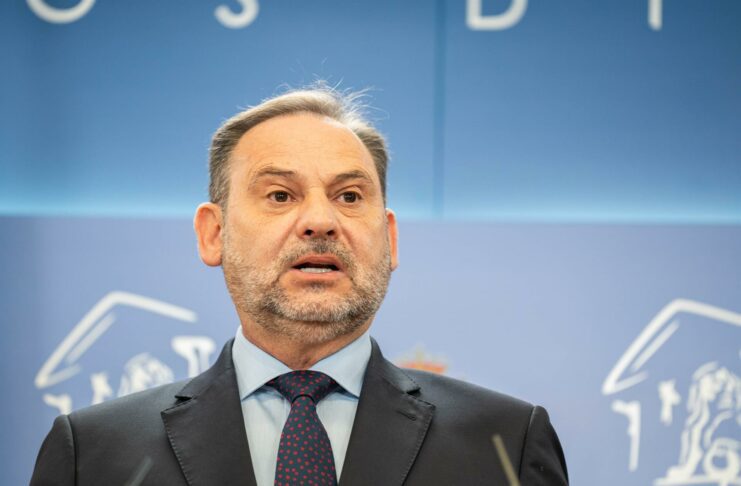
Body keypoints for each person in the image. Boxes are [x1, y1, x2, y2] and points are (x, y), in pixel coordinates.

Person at [31, 86, 568, 485]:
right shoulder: (94, 453)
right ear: (214, 233)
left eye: (350, 196)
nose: (320, 221)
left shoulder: (506, 441)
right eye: (280, 195)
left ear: (389, 238)